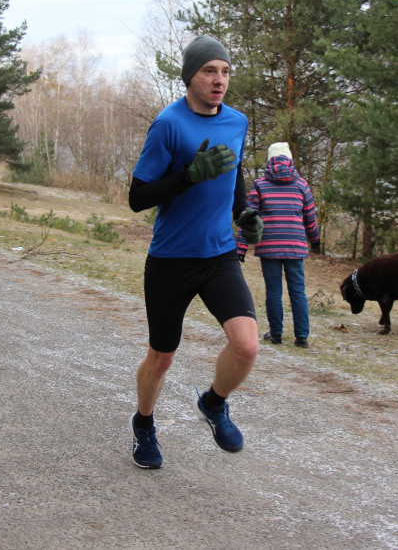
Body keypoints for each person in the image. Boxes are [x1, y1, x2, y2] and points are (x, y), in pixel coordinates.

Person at [127, 36, 262, 469]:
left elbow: (234, 168)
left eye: (224, 71)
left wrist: (243, 212)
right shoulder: (169, 124)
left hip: (219, 254)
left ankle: (214, 403)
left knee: (246, 347)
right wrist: (188, 176)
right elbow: (137, 197)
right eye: (209, 71)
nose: (219, 79)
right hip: (170, 260)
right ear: (190, 75)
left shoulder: (238, 121)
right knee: (161, 357)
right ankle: (144, 425)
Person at [237, 142, 320, 348]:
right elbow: (310, 217)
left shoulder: (260, 185)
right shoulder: (302, 185)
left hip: (270, 247)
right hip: (295, 246)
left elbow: (248, 218)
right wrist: (315, 239)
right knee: (298, 291)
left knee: (273, 291)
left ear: (269, 160)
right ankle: (302, 337)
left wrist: (241, 247)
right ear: (290, 160)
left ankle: (276, 334)